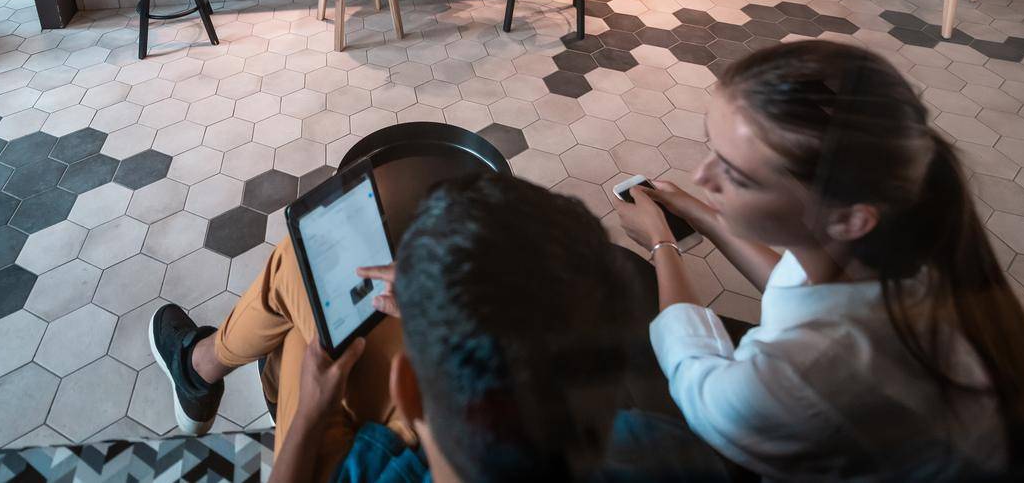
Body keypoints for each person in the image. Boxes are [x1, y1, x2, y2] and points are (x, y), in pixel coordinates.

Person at [613, 40, 1024, 479]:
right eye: (712, 147)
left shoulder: (812, 373)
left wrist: (660, 243)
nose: (700, 175)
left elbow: (699, 383)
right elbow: (795, 289)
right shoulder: (900, 243)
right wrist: (703, 216)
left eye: (735, 175)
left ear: (848, 218)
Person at [150, 174, 660, 483]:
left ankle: (199, 369)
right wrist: (440, 298)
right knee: (322, 297)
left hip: (372, 452)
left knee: (303, 305)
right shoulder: (653, 446)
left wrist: (309, 412)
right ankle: (203, 367)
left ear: (410, 390)